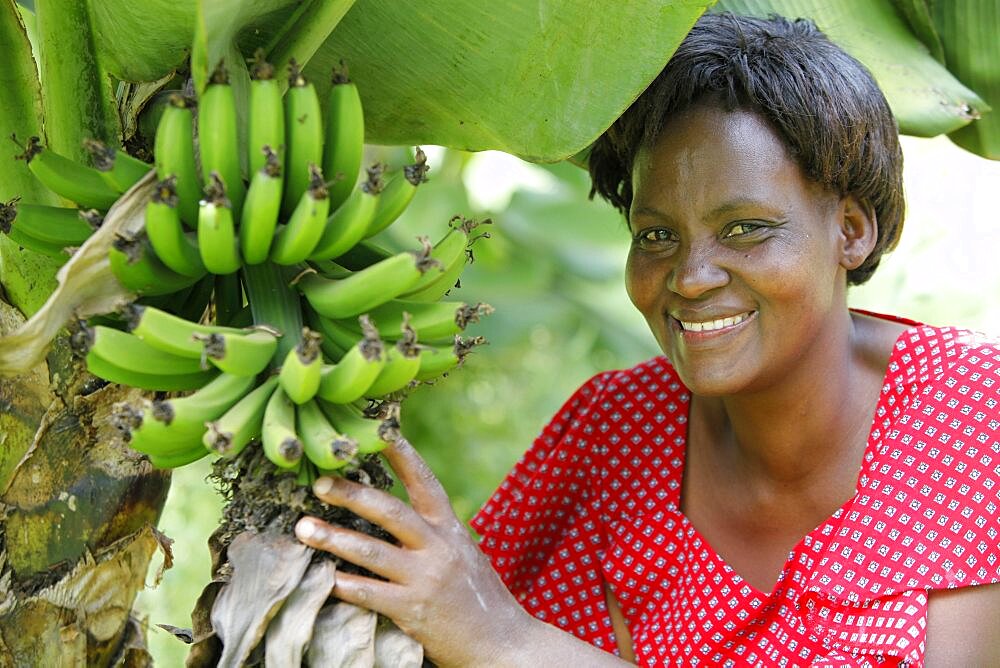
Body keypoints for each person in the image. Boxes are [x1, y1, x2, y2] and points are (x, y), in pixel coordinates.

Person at [293, 13, 1000, 666]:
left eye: (745, 229)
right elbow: (444, 617)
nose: (690, 278)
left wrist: (506, 640)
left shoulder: (970, 412)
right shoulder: (616, 434)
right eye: (656, 235)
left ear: (850, 229)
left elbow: (485, 629)